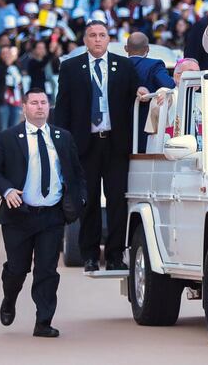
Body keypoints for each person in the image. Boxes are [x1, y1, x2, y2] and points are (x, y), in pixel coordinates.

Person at [0, 88, 86, 338]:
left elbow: (75, 172)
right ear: (24, 108)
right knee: (18, 269)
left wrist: (79, 198)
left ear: (49, 106)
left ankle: (43, 321)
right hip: (18, 215)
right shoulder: (7, 138)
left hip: (51, 216)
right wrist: (7, 190)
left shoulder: (62, 137)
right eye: (34, 103)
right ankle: (9, 299)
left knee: (47, 271)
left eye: (43, 102)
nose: (40, 107)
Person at [53, 20, 141, 273]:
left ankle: (115, 254)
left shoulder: (123, 65)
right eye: (92, 35)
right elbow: (63, 107)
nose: (98, 40)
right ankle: (89, 255)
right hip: (85, 145)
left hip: (115, 144)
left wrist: (143, 90)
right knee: (88, 201)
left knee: (117, 200)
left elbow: (134, 94)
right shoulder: (70, 67)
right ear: (85, 40)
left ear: (109, 39)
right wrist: (62, 145)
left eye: (102, 35)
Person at [126, 32, 175, 152]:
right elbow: (168, 85)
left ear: (126, 48)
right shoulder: (154, 65)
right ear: (147, 49)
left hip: (118, 127)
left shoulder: (118, 65)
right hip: (145, 125)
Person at [145, 58, 200, 147]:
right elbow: (160, 105)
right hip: (172, 149)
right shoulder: (169, 94)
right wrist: (164, 96)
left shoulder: (204, 97)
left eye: (198, 72)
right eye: (191, 72)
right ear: (177, 76)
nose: (197, 76)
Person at [0, 46, 23, 132]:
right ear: (0, 56)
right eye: (4, 53)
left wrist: (23, 97)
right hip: (3, 101)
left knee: (14, 128)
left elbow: (20, 83)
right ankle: (2, 145)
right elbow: (1, 78)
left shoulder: (17, 67)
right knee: (3, 128)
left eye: (8, 53)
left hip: (16, 100)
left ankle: (12, 146)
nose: (6, 55)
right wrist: (8, 64)